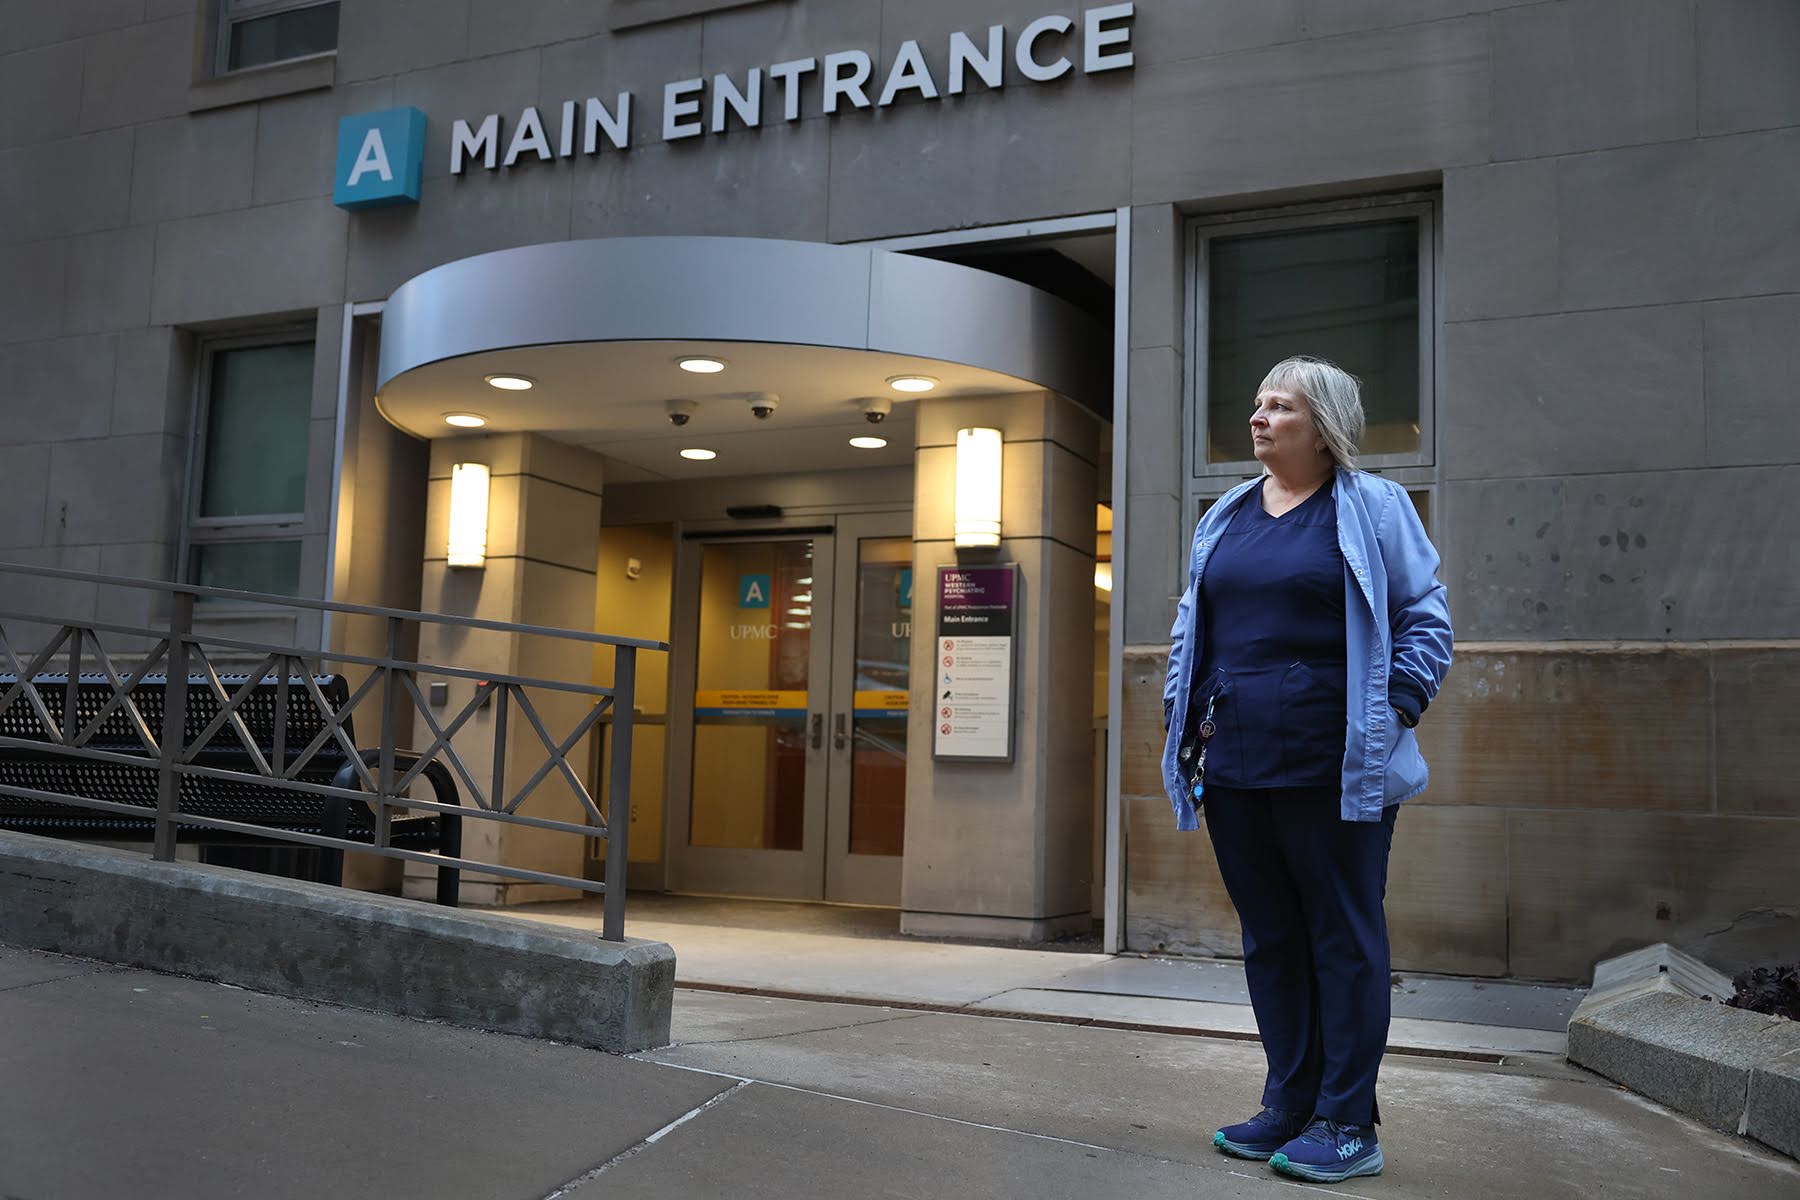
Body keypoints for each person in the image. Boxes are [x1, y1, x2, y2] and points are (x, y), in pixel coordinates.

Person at [1161, 355, 1453, 1184]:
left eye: (1279, 407)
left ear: (1323, 428)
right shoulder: (1225, 516)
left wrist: (1391, 709)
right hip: (1237, 759)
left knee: (1343, 936)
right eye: (1256, 404)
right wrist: (1184, 725)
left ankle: (1348, 1121)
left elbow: (1426, 621)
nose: (1257, 418)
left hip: (1335, 762)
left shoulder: (1373, 507)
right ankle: (1290, 1102)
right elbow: (1196, 629)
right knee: (1272, 938)